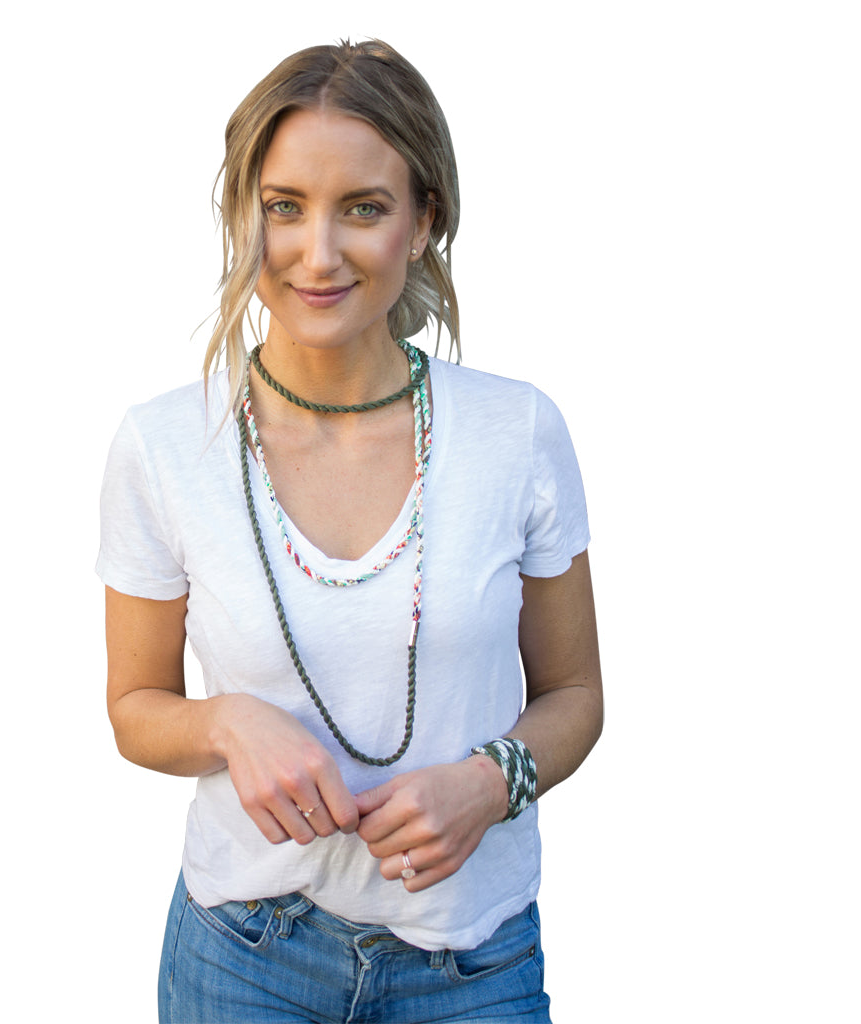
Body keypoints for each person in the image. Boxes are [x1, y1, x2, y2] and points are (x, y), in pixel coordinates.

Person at [97, 39, 602, 1024]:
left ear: (424, 223)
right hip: (243, 955)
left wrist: (489, 784)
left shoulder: (517, 432)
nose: (317, 253)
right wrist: (224, 720)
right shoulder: (162, 445)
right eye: (283, 206)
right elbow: (133, 706)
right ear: (243, 217)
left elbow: (575, 694)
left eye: (363, 208)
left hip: (472, 962)